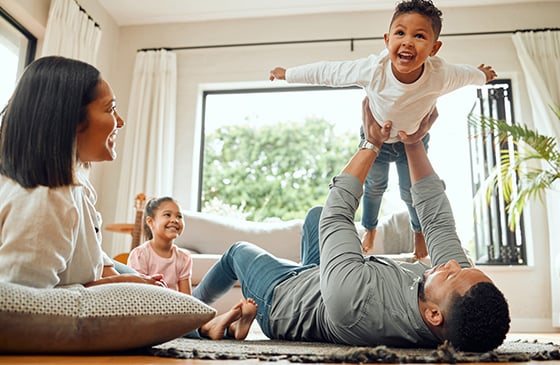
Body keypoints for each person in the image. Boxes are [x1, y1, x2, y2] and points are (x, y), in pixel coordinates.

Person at [192, 97, 510, 351]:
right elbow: (437, 221)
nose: (451, 263)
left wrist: (371, 143)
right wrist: (414, 144)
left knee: (237, 252)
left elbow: (338, 214)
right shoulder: (449, 302)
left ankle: (192, 319)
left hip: (282, 299)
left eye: (452, 272)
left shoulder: (356, 305)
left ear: (433, 315)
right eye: (461, 266)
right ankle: (227, 319)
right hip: (322, 280)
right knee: (314, 215)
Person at [0, 55, 255, 341]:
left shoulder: (71, 187)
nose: (120, 121)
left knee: (142, 281)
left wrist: (124, 280)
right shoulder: (45, 201)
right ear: (71, 120)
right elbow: (23, 307)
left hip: (101, 266)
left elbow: (93, 259)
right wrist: (122, 286)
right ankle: (203, 324)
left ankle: (204, 324)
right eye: (110, 109)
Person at [269, 0, 497, 260]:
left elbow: (466, 75)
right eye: (400, 33)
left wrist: (481, 75)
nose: (408, 41)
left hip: (413, 141)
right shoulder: (373, 69)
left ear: (434, 48)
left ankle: (418, 233)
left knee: (411, 192)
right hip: (376, 139)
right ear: (387, 40)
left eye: (419, 36)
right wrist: (289, 74)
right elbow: (328, 71)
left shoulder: (440, 74)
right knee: (374, 186)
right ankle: (370, 228)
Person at [127, 197, 193, 294]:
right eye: (167, 215)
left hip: (174, 307)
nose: (175, 220)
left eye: (179, 216)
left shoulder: (184, 258)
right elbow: (137, 293)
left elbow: (187, 298)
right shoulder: (139, 255)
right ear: (150, 222)